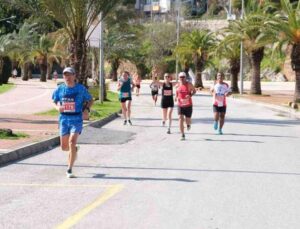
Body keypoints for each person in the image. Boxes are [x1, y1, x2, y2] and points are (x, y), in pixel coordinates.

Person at [52, 67, 93, 178]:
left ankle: (69, 169)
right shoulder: (60, 89)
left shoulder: (80, 88)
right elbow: (53, 101)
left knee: (72, 141)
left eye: (69, 75)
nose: (67, 77)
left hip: (76, 119)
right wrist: (57, 107)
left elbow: (90, 99)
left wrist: (86, 109)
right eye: (65, 75)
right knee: (64, 147)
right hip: (64, 119)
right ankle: (74, 150)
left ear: (74, 76)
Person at [175, 72, 196, 140]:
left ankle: (188, 125)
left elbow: (194, 91)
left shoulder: (189, 84)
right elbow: (177, 92)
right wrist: (175, 97)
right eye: (180, 77)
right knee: (180, 118)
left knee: (188, 120)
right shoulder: (177, 85)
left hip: (188, 105)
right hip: (180, 105)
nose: (182, 78)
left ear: (185, 77)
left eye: (183, 77)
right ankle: (182, 135)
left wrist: (189, 95)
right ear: (179, 78)